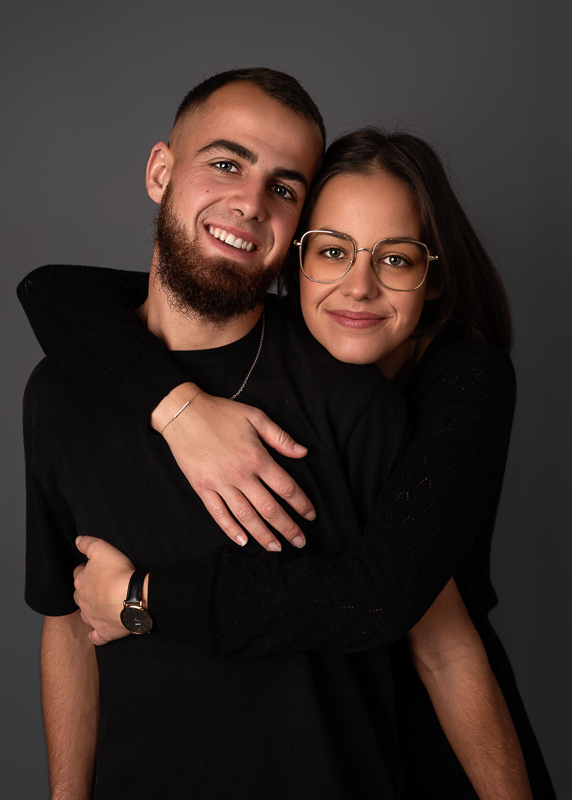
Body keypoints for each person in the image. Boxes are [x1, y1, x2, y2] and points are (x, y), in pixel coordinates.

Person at [19, 110, 555, 797]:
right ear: (294, 260)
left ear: (435, 276)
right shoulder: (112, 374)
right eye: (333, 250)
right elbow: (56, 290)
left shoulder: (457, 384)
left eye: (395, 259)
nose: (358, 286)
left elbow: (388, 604)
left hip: (425, 743)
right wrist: (184, 412)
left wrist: (139, 598)